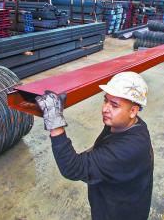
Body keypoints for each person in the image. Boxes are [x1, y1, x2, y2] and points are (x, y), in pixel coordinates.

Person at [35, 71, 154, 220]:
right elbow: (101, 147)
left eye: (114, 105)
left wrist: (55, 122)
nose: (105, 109)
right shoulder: (128, 124)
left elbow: (72, 168)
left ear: (133, 111)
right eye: (106, 101)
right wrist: (88, 160)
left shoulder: (130, 149)